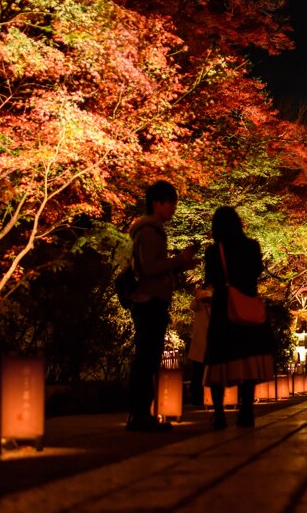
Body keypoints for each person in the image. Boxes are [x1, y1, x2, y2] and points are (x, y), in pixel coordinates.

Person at [127, 180, 199, 432]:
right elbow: (148, 268)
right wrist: (178, 260)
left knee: (148, 356)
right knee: (146, 357)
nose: (174, 208)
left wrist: (180, 264)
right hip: (149, 300)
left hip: (151, 299)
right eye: (171, 203)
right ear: (157, 202)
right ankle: (139, 414)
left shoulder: (151, 229)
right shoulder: (148, 231)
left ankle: (140, 413)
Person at [204, 206, 275, 429]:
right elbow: (256, 273)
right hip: (248, 306)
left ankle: (219, 414)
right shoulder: (252, 247)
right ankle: (246, 411)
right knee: (248, 361)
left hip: (224, 310)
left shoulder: (214, 251)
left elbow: (211, 279)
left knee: (219, 361)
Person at [186, 283, 213, 406]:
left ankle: (210, 397)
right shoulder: (199, 304)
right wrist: (198, 297)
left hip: (212, 342)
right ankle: (197, 398)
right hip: (200, 342)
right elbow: (193, 306)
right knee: (198, 372)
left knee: (211, 371)